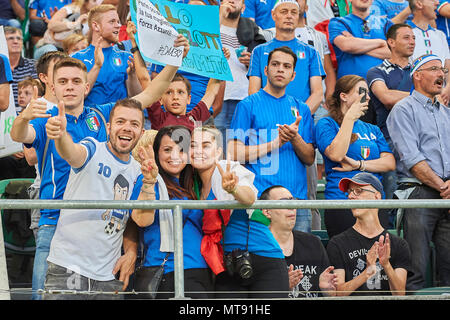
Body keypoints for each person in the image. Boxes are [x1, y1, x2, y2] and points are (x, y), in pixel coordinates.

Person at [9, 36, 189, 300]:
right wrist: (24, 116)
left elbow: (150, 95)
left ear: (86, 86)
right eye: (62, 82)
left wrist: (174, 61)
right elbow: (18, 135)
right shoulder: (46, 116)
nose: (69, 87)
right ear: (53, 87)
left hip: (100, 224)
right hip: (54, 217)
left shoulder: (102, 115)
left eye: (75, 82)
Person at [42, 98, 144, 300]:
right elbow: (72, 153)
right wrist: (61, 136)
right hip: (68, 266)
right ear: (108, 127)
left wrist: (131, 252)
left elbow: (131, 219)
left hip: (109, 275)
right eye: (120, 121)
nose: (127, 128)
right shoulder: (93, 148)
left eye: (134, 124)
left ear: (141, 132)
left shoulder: (140, 172)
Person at [190, 126, 289, 298]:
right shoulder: (193, 184)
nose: (198, 151)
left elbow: (249, 197)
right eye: (193, 145)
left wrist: (234, 189)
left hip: (264, 260)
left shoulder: (228, 169)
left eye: (205, 145)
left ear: (218, 151)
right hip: (228, 264)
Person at [230, 46, 315, 233]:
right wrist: (274, 143)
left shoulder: (302, 109)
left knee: (298, 260)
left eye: (286, 66)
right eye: (275, 64)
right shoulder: (247, 105)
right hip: (261, 199)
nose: (280, 69)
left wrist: (294, 138)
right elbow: (234, 153)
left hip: (296, 200)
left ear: (293, 75)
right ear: (266, 70)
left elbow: (309, 158)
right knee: (265, 260)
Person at [386, 53, 450, 291]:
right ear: (417, 76)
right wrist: (444, 187)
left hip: (445, 194)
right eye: (434, 69)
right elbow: (413, 160)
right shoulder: (403, 110)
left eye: (442, 70)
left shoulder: (447, 113)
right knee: (417, 268)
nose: (440, 74)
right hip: (420, 193)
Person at [130, 125, 214, 299]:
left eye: (181, 149)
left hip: (201, 270)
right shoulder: (148, 180)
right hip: (168, 272)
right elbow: (142, 220)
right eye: (167, 149)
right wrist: (148, 181)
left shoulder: (193, 185)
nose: (175, 155)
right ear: (157, 153)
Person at [315, 75, 395, 239]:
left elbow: (389, 163)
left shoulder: (372, 129)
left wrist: (359, 164)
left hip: (374, 203)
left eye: (368, 93)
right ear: (343, 96)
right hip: (342, 201)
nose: (367, 97)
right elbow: (336, 154)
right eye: (361, 91)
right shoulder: (326, 124)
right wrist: (349, 117)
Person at [327, 172, 411, 296]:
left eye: (358, 191)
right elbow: (338, 294)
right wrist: (367, 273)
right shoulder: (337, 243)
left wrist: (386, 265)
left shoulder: (398, 244)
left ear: (377, 196)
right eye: (349, 192)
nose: (351, 196)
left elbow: (400, 295)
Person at [366, 23, 414, 225]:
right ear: (391, 42)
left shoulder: (422, 69)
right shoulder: (376, 71)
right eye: (406, 37)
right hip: (389, 141)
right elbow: (385, 97)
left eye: (413, 38)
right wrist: (421, 95)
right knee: (391, 200)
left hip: (419, 140)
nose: (412, 41)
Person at [248, 0, 325, 115]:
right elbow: (253, 92)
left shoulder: (311, 52)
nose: (289, 16)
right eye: (284, 12)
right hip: (267, 118)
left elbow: (318, 93)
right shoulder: (259, 51)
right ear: (273, 15)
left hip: (300, 123)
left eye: (294, 12)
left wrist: (297, 118)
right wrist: (267, 115)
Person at [261, 185, 338, 298]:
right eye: (284, 202)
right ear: (267, 212)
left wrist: (326, 290)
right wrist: (282, 287)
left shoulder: (313, 243)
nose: (292, 206)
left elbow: (330, 295)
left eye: (293, 201)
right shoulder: (258, 249)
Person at [216, 0, 266, 151]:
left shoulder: (253, 30)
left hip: (243, 96)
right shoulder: (211, 26)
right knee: (215, 147)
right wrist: (220, 15)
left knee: (240, 148)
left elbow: (265, 62)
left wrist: (252, 61)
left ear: (243, 8)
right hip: (216, 96)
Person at [71, 4, 140, 106]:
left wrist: (132, 75)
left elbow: (136, 98)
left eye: (118, 21)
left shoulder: (126, 57)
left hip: (119, 119)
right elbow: (77, 97)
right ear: (96, 26)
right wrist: (97, 66)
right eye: (112, 22)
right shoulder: (76, 59)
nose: (118, 25)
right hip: (90, 119)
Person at [328, 0, 392, 80]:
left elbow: (395, 53)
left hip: (384, 84)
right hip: (350, 86)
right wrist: (381, 42)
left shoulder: (386, 23)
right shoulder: (338, 22)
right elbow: (346, 46)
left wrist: (354, 44)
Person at [407, 0, 450, 105]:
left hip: (442, 99)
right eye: (433, 0)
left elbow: (448, 67)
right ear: (419, 3)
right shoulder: (405, 33)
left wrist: (447, 88)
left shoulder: (440, 35)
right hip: (415, 99)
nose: (437, 3)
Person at [33, 0, 101, 59]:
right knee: (53, 53)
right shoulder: (69, 9)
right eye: (94, 1)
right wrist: (75, 24)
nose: (97, 4)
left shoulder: (94, 17)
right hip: (50, 46)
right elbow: (51, 25)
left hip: (72, 50)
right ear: (85, 2)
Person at [4, 26, 38, 114]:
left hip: (27, 113)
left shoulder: (33, 65)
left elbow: (37, 93)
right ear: (2, 42)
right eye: (11, 38)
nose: (16, 41)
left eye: (19, 39)